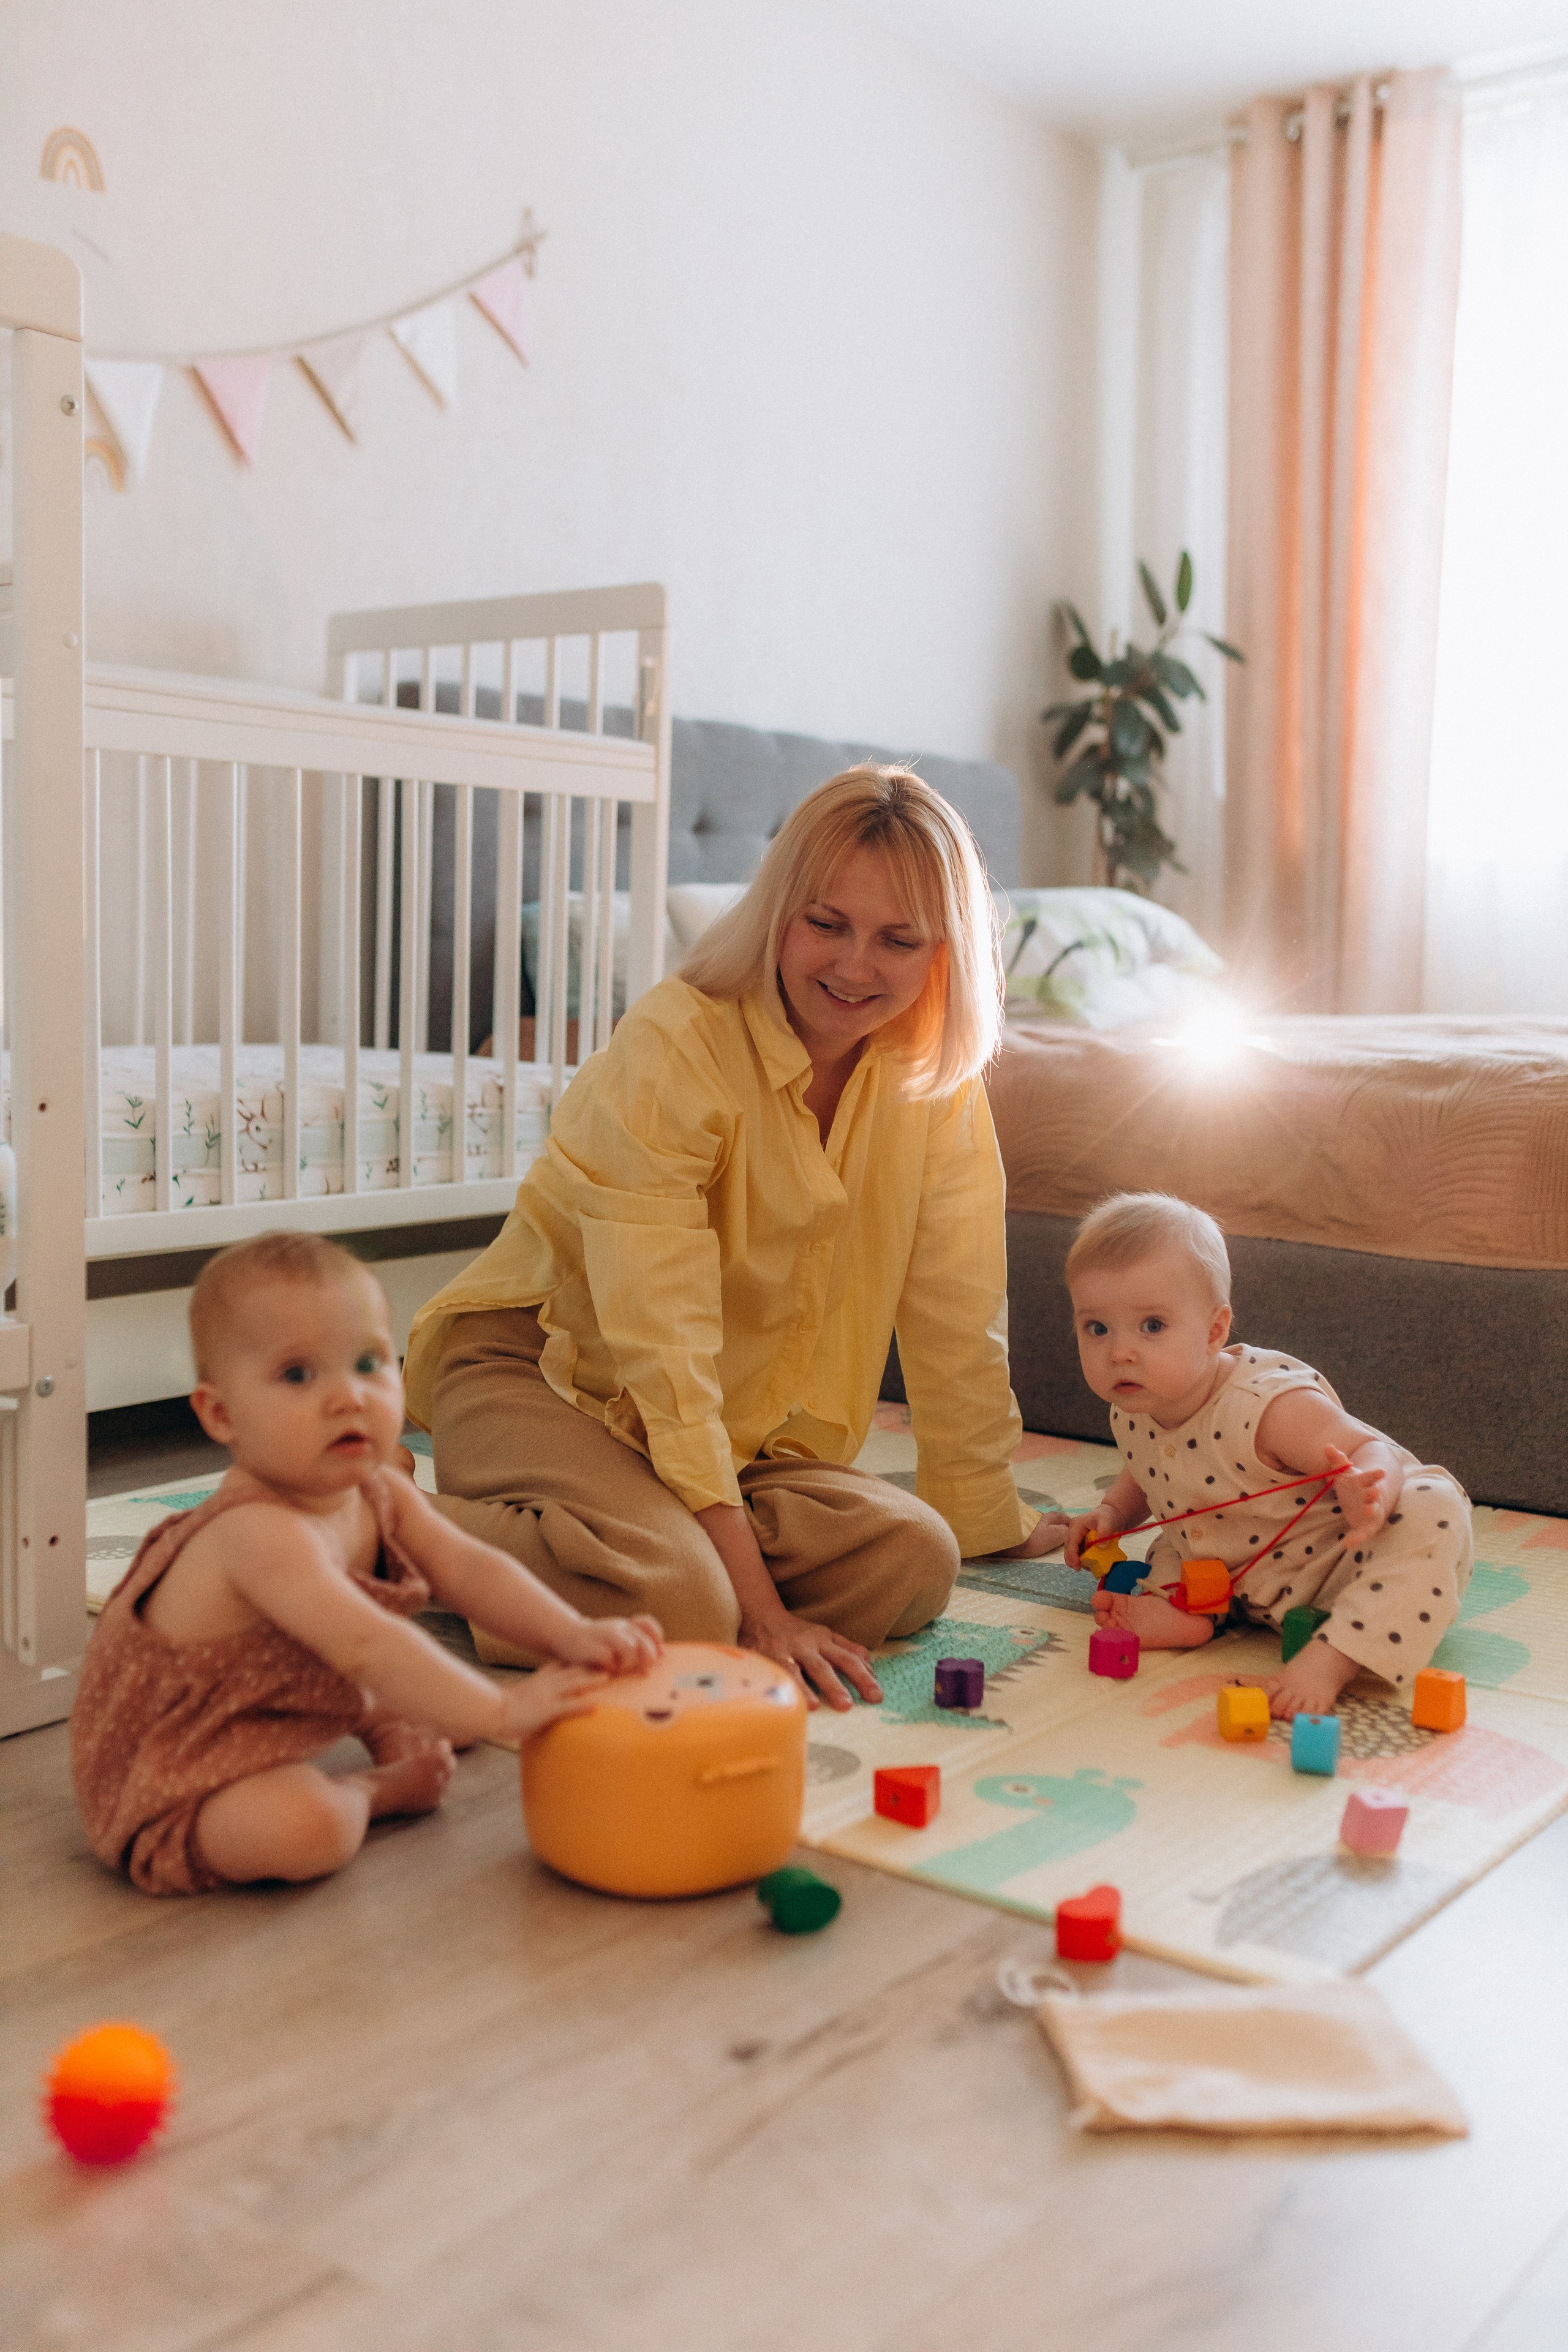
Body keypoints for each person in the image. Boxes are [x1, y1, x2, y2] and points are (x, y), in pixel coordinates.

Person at [405, 764, 1066, 1711]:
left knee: (918, 1557)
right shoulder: (677, 1044)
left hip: (733, 1428)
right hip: (554, 1373)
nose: (853, 966)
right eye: (826, 924)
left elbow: (957, 1315)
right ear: (777, 912)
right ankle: (392, 1532)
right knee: (684, 1604)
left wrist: (987, 1518)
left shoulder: (936, 1085)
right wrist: (759, 1608)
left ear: (943, 955)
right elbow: (657, 1343)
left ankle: (661, 1549)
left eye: (898, 940)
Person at [72, 1234, 662, 1896]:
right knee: (309, 1826)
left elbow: (470, 1570)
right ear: (221, 1414)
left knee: (433, 1693)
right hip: (178, 1766)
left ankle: (379, 1716)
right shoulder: (257, 1533)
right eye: (298, 1375)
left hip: (271, 1704)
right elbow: (366, 1644)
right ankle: (376, 1791)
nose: (348, 1396)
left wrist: (570, 1633)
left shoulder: (381, 1492)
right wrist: (502, 1710)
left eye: (367, 1362)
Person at [1061, 1191, 1472, 1719]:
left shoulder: (1266, 1406)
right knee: (1175, 1537)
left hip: (1343, 1559)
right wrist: (1112, 1514)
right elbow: (1149, 1470)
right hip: (1237, 1572)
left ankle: (1335, 1656)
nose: (1120, 1351)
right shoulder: (1133, 1407)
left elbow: (1367, 1447)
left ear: (1214, 1332)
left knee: (1432, 1508)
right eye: (1097, 1328)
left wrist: (1367, 1486)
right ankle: (1190, 1615)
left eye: (1152, 1326)